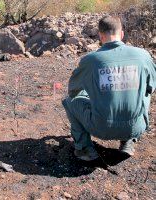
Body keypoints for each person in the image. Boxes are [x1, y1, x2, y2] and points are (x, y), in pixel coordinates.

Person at [62, 15, 156, 161]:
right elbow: (152, 86)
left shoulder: (91, 60)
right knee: (144, 93)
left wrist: (94, 93)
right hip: (136, 126)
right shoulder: (143, 56)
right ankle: (128, 141)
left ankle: (85, 149)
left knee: (69, 101)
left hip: (101, 128)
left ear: (100, 36)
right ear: (122, 34)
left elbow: (73, 90)